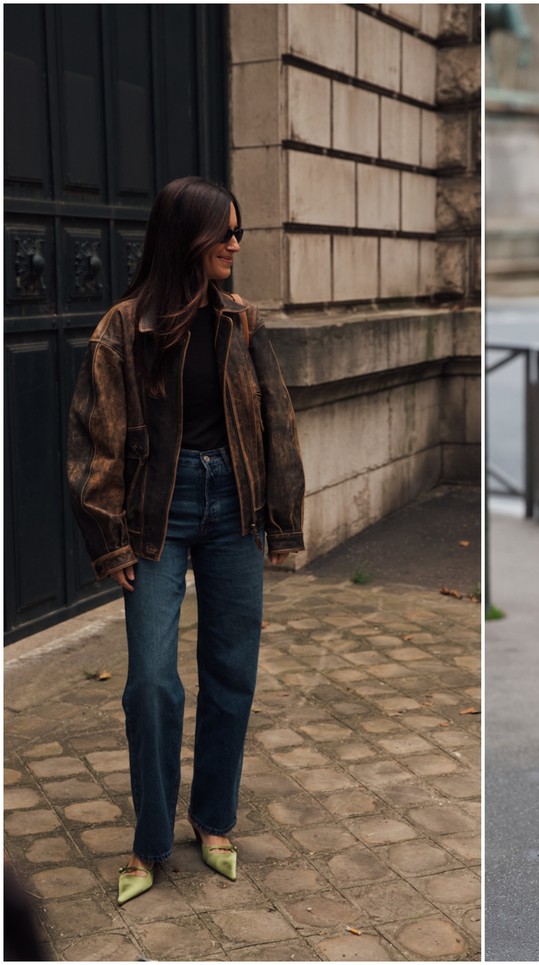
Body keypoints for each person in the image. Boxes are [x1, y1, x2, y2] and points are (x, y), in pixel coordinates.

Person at [67, 176, 305, 905]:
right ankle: (148, 839)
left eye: (240, 231)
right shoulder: (122, 329)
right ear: (186, 239)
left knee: (232, 672)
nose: (236, 243)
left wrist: (281, 521)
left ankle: (214, 820)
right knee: (149, 682)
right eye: (223, 233)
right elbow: (93, 442)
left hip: (233, 507)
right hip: (157, 519)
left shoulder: (242, 322)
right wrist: (109, 540)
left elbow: (277, 423)